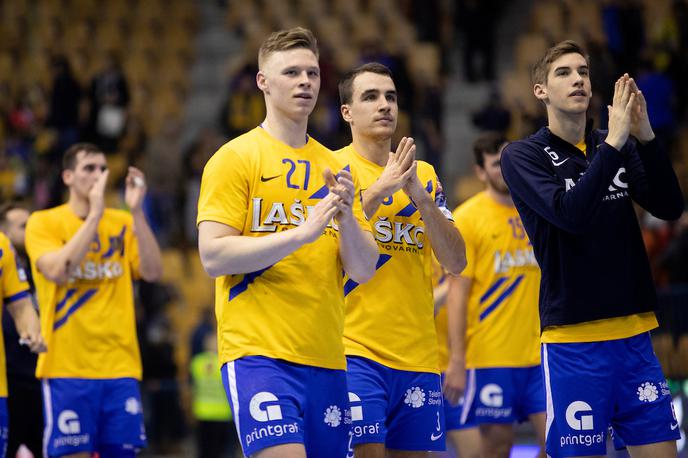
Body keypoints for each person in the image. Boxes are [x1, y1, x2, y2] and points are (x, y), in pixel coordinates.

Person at [196, 27, 377, 458]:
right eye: (291, 72)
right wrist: (301, 234)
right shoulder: (235, 157)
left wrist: (348, 216)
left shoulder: (336, 166)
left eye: (312, 73)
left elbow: (365, 268)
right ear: (263, 81)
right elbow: (213, 255)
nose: (305, 82)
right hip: (259, 355)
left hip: (329, 359)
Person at [500, 40, 684, 457]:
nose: (578, 79)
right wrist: (615, 144)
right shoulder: (523, 156)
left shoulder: (613, 143)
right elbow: (570, 214)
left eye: (583, 71)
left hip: (635, 336)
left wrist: (646, 136)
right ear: (540, 91)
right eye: (563, 73)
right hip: (573, 342)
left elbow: (670, 207)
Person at [337, 62, 466, 457]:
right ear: (347, 112)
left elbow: (456, 261)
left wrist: (421, 197)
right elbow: (322, 249)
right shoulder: (332, 167)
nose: (384, 106)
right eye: (371, 97)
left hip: (418, 355)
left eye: (390, 97)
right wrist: (380, 188)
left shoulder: (424, 173)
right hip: (355, 350)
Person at [25, 142, 163, 458]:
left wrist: (137, 212)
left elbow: (153, 271)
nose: (99, 175)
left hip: (120, 366)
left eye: (103, 168)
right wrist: (96, 214)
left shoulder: (123, 222)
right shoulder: (43, 223)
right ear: (68, 176)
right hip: (67, 367)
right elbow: (58, 270)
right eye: (89, 168)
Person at [443, 133, 545, 458]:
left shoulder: (538, 210)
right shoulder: (468, 218)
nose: (503, 170)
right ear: (480, 173)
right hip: (491, 357)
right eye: (494, 165)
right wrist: (457, 361)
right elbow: (457, 295)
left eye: (507, 162)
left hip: (541, 355)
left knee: (558, 443)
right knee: (497, 448)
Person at [0, 203, 43, 458]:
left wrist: (32, 330)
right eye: (22, 225)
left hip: (15, 387)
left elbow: (22, 306)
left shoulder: (3, 249)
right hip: (15, 377)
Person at [190, 333, 240, 458]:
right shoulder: (224, 363)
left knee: (204, 450)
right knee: (222, 451)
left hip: (202, 411)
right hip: (223, 413)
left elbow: (193, 385)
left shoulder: (196, 362)